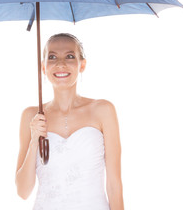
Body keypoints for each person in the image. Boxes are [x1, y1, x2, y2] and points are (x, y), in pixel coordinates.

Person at [15, 33, 124, 210]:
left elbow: (114, 186)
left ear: (82, 65)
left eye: (70, 56)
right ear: (43, 67)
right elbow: (23, 191)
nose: (60, 64)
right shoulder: (31, 116)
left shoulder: (103, 110)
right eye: (52, 57)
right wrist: (34, 140)